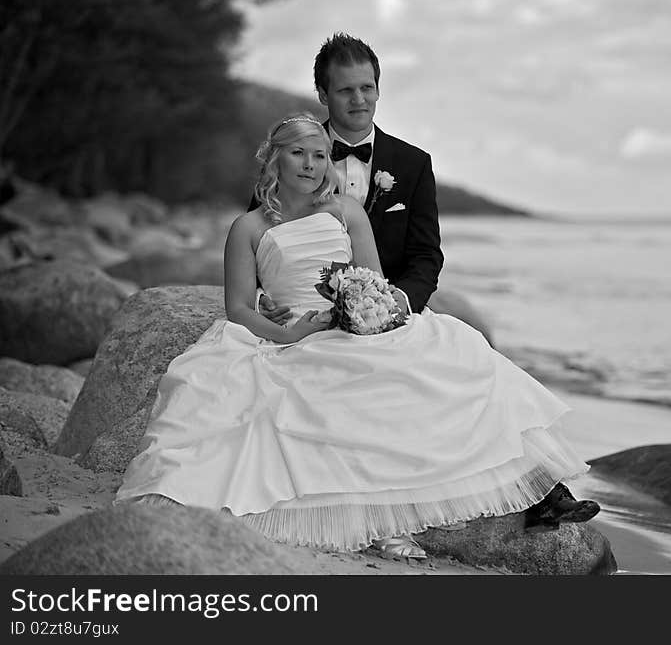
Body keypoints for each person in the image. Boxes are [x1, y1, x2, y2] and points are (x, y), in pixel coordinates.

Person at [115, 113, 597, 560]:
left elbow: (375, 281)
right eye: (298, 153)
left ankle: (538, 492)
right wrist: (284, 333)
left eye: (320, 155)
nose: (310, 164)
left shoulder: (346, 211)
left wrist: (366, 311)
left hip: (355, 321)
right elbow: (238, 308)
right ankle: (381, 520)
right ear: (274, 159)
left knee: (460, 356)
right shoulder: (248, 227)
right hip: (292, 333)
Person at [248, 32, 442, 323]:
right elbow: (257, 239)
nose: (359, 99)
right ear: (323, 94)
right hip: (302, 317)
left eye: (367, 87)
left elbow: (426, 255)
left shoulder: (414, 164)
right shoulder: (290, 156)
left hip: (386, 313)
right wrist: (262, 298)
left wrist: (395, 303)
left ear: (378, 89)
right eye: (345, 90)